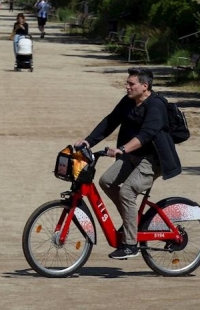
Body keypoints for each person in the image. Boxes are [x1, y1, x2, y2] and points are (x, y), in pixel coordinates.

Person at [74, 67, 181, 260]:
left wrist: (122, 149)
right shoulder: (128, 101)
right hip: (132, 157)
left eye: (131, 84)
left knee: (127, 191)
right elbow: (110, 121)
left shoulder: (156, 105)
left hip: (153, 160)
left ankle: (131, 245)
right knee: (106, 181)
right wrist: (88, 141)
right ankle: (130, 221)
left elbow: (147, 134)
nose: (127, 86)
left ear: (145, 86)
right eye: (127, 83)